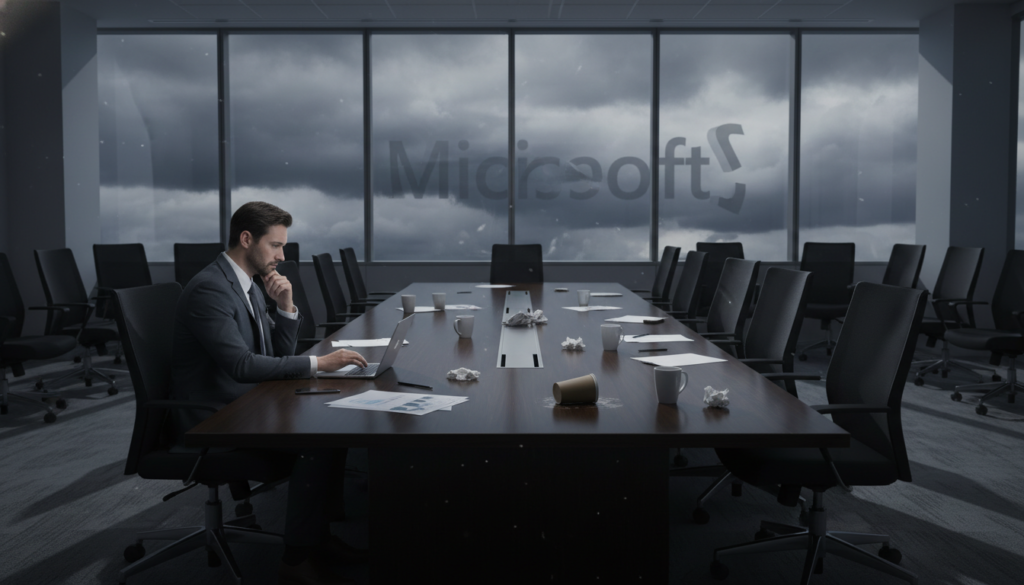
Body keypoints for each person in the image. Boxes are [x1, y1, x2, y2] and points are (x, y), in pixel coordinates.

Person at [170, 201, 366, 585]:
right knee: (317, 440)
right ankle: (296, 559)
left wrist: (287, 308)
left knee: (333, 424)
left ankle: (318, 540)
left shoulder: (248, 284)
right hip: (214, 418)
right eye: (276, 246)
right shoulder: (211, 289)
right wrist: (319, 364)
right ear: (247, 239)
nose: (281, 256)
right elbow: (243, 366)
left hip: (247, 403)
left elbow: (275, 357)